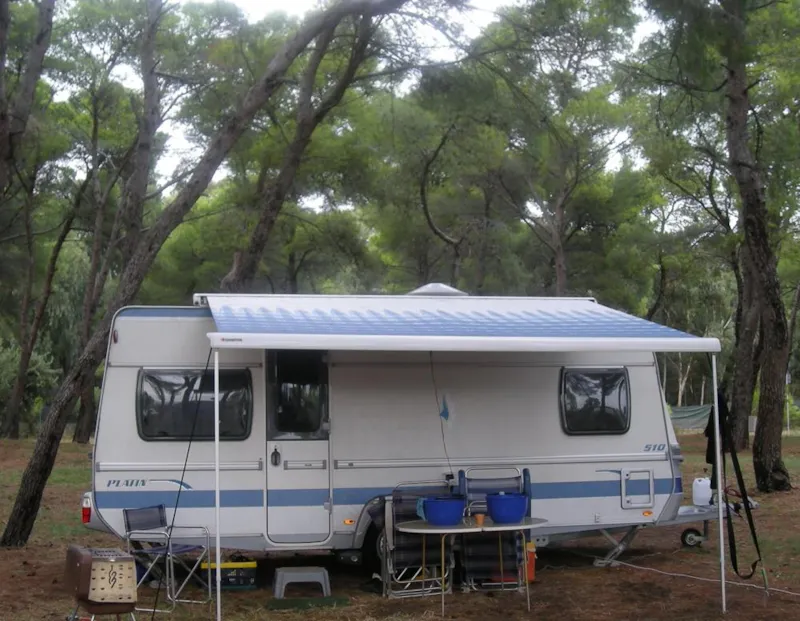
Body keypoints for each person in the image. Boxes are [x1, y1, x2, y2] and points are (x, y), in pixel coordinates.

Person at [703, 387, 730, 504]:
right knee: (716, 468)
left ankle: (716, 493)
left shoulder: (718, 411)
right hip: (716, 443)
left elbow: (710, 430)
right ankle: (715, 492)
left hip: (716, 443)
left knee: (717, 468)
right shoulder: (719, 410)